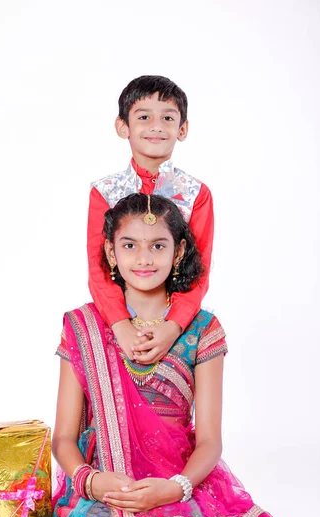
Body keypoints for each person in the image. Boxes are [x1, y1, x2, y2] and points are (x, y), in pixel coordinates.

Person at [53, 193, 320, 517]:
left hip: (182, 478)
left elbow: (209, 441)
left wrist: (175, 488)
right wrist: (92, 482)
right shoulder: (82, 326)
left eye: (158, 245)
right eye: (129, 245)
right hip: (108, 485)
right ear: (110, 253)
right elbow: (64, 436)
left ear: (180, 250)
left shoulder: (202, 329)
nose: (144, 258)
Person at [87, 75, 214, 365]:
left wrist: (173, 325)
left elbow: (200, 269)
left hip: (175, 325)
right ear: (123, 126)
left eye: (168, 117)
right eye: (144, 116)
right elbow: (98, 267)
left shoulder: (196, 194)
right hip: (116, 324)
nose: (156, 126)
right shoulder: (104, 193)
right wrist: (120, 325)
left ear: (182, 129)